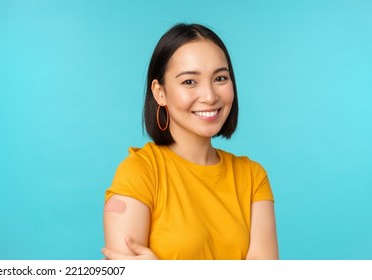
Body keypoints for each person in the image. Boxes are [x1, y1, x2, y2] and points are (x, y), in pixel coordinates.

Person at [101, 23, 279, 260]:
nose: (209, 96)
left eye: (220, 78)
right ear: (159, 92)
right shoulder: (139, 173)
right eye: (189, 82)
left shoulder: (253, 178)